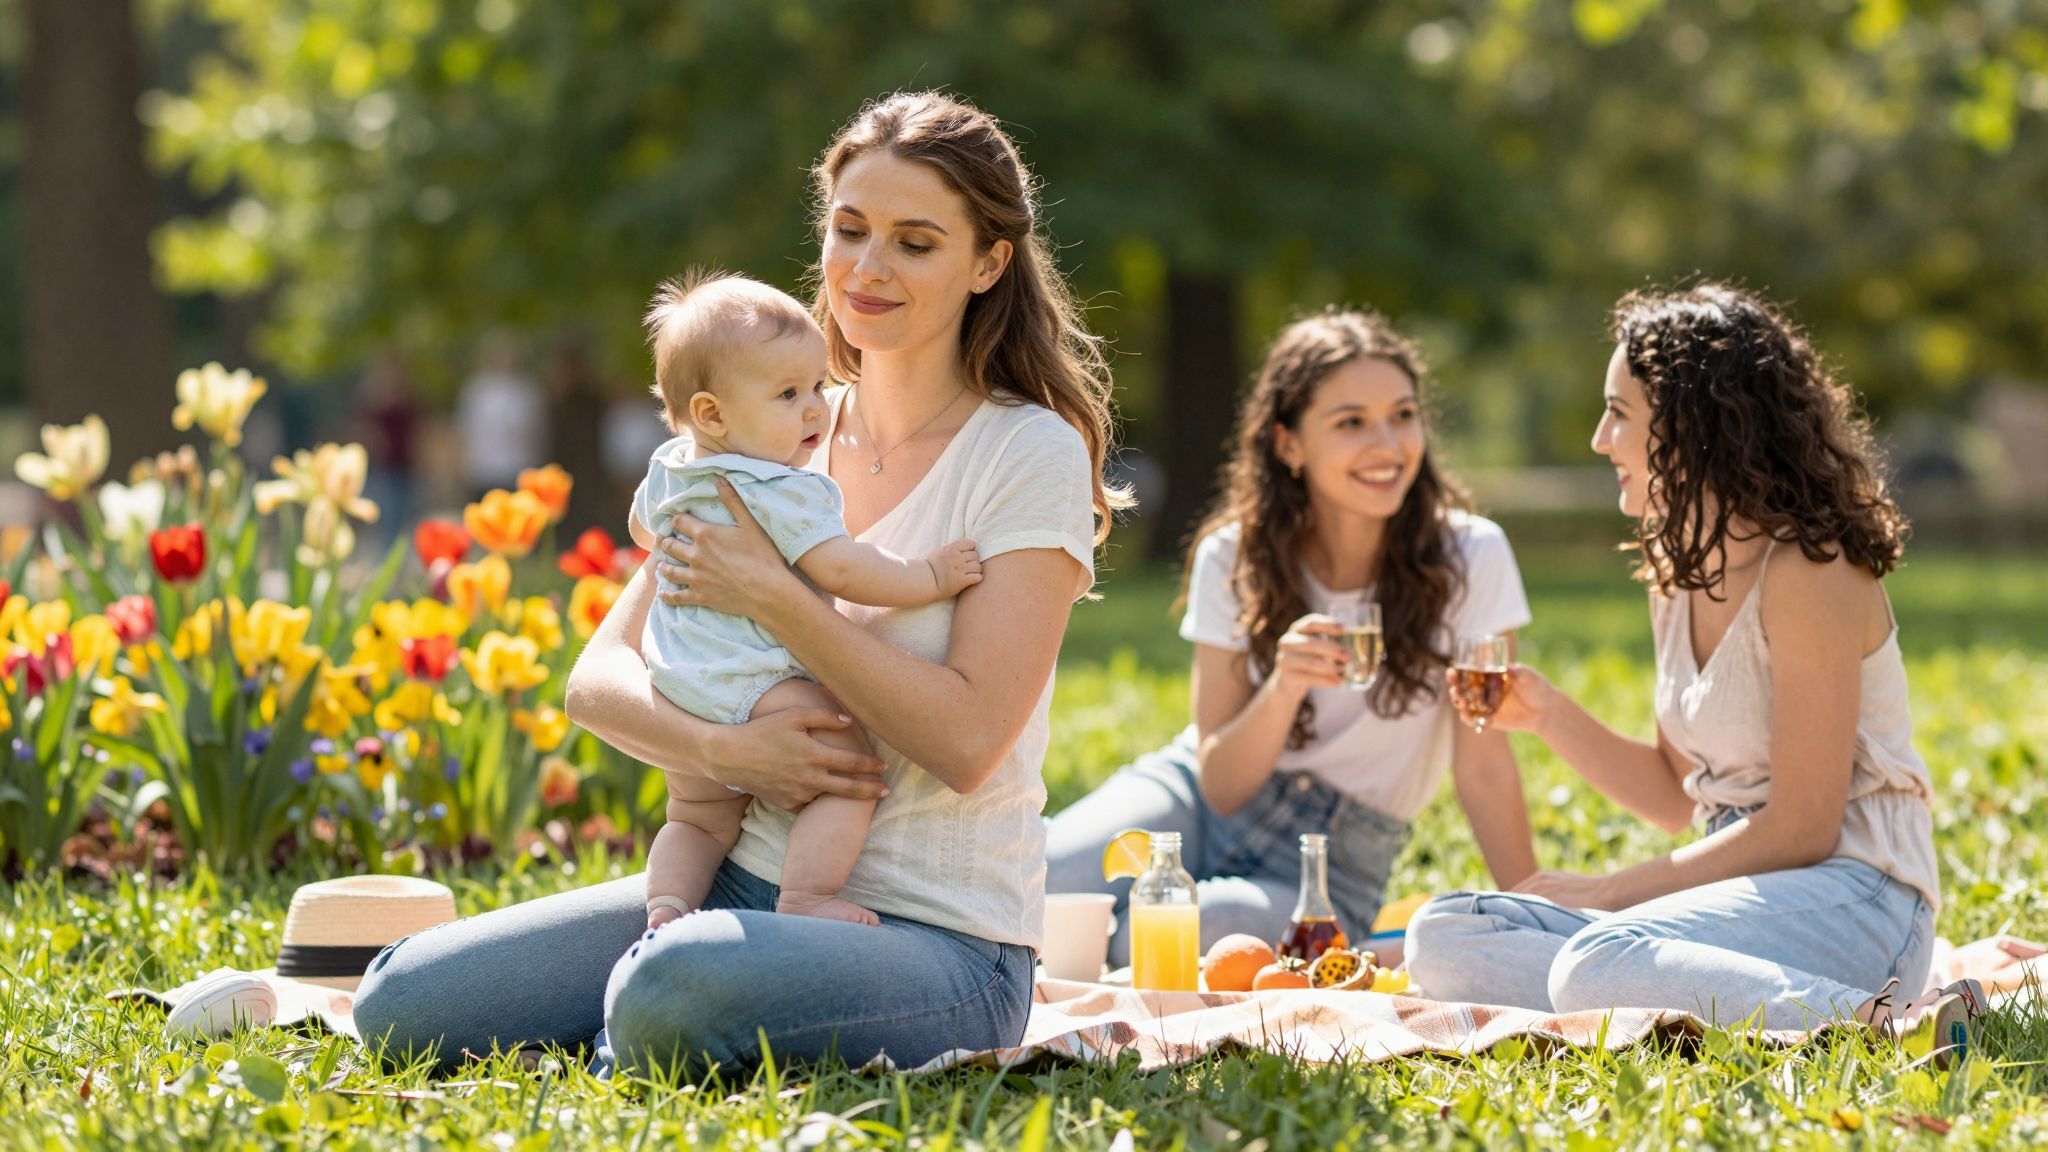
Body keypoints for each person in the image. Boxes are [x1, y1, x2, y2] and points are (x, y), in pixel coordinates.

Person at [351, 91, 1123, 1074]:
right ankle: (636, 1013)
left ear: (987, 262)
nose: (867, 267)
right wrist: (730, 751)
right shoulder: (775, 427)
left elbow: (969, 742)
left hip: (939, 943)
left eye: (914, 242)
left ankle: (631, 1023)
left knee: (669, 990)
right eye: (849, 229)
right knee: (402, 1002)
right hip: (733, 883)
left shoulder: (1025, 451)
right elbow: (599, 679)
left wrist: (774, 597)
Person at [1405, 284, 1983, 1054]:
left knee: (1595, 961)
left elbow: (1803, 830)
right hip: (1737, 893)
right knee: (1443, 933)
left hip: (1859, 895)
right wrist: (1548, 715)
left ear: (1691, 429)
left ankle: (1893, 1026)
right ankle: (1681, 993)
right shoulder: (1680, 569)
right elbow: (1674, 792)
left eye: (1619, 413)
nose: (1598, 439)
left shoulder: (1812, 572)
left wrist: (1608, 894)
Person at [1046, 309, 1538, 964]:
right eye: (1350, 422)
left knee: (1160, 936)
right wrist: (1283, 688)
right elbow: (1218, 783)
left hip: (1326, 862)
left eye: (1403, 415)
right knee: (1034, 882)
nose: (1388, 445)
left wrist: (1540, 917)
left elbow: (1485, 768)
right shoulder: (1235, 555)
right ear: (1288, 444)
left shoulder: (1471, 557)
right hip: (1192, 798)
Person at [628, 270, 982, 930]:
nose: (816, 408)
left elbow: (640, 531)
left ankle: (666, 905)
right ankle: (808, 895)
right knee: (845, 767)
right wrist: (932, 577)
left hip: (678, 679)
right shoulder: (781, 488)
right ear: (712, 413)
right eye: (789, 394)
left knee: (697, 816)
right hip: (755, 678)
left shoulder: (672, 466)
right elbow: (846, 570)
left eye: (818, 386)